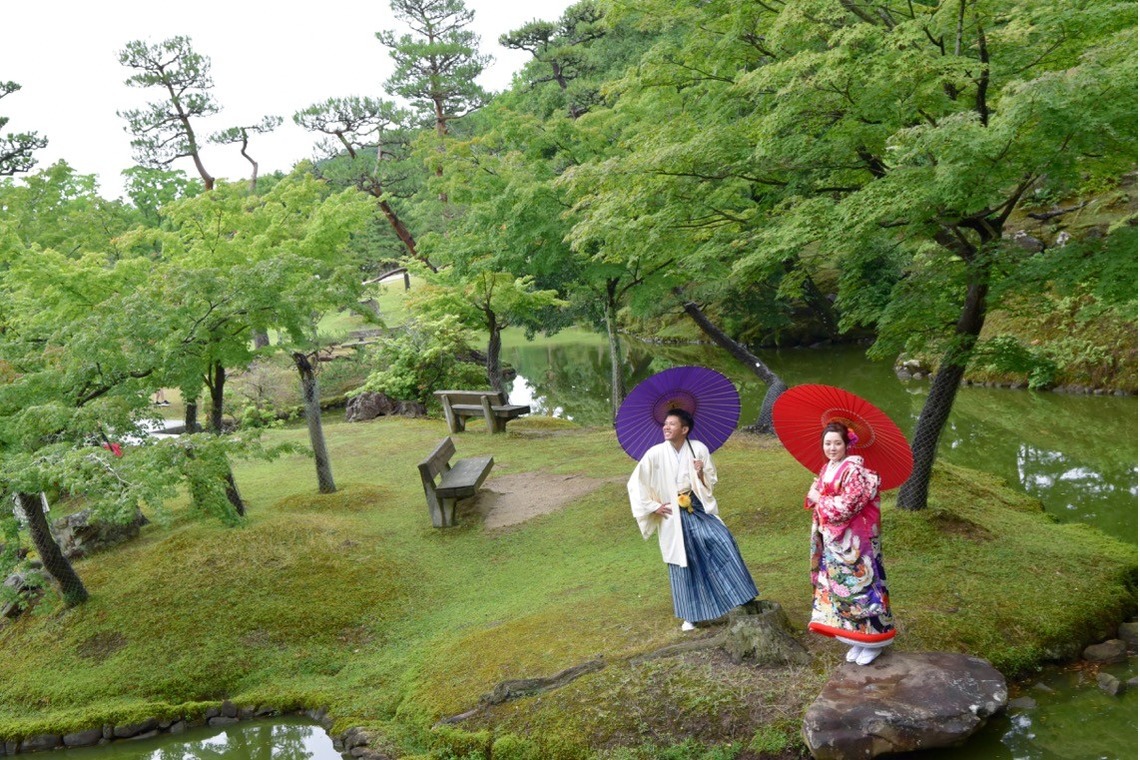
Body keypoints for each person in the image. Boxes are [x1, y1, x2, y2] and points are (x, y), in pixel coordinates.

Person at [627, 408, 758, 632]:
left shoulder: (698, 449)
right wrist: (653, 506)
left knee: (722, 540)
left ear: (685, 429)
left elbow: (710, 481)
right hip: (671, 512)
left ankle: (741, 596)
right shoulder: (655, 453)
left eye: (672, 424)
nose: (666, 427)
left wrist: (699, 473)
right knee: (682, 559)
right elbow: (635, 484)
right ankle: (690, 615)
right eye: (665, 424)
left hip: (696, 505)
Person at [805, 421, 896, 665]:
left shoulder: (853, 471)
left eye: (837, 443)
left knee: (863, 588)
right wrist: (816, 492)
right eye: (827, 443)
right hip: (835, 540)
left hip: (855, 541)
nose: (832, 448)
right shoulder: (827, 467)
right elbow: (822, 497)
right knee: (842, 588)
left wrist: (819, 498)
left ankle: (874, 642)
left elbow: (847, 507)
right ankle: (855, 638)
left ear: (847, 445)